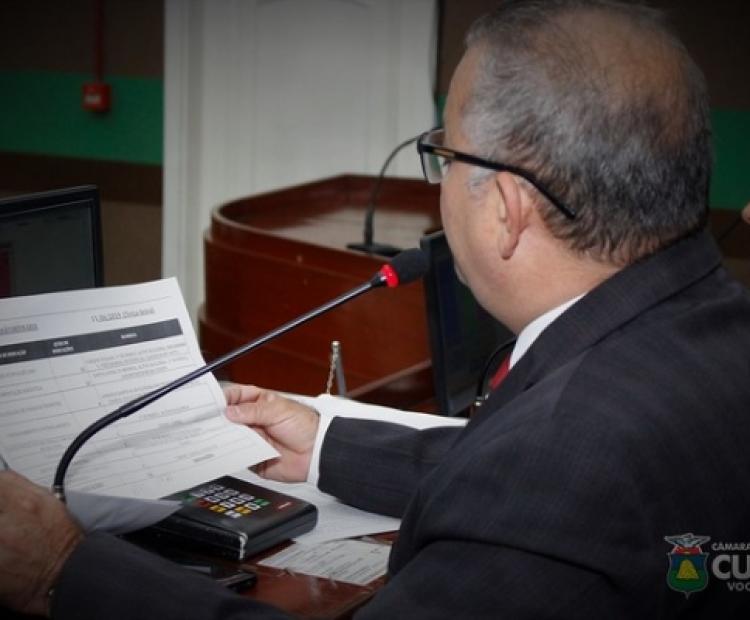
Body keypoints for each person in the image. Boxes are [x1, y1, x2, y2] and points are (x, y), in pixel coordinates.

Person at [2, 0, 750, 617]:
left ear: (508, 210)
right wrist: (327, 446)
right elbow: (519, 479)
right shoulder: (714, 323)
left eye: (445, 156)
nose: (440, 183)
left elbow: (541, 483)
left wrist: (65, 569)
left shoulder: (565, 453)